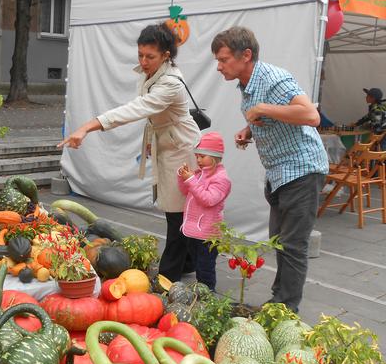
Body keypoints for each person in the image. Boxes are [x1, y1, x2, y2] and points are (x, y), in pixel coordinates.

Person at [59, 22, 201, 280]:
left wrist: (88, 126)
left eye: (150, 56)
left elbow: (136, 109)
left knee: (177, 212)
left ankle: (168, 274)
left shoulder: (171, 83)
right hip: (167, 142)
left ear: (166, 55)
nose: (144, 61)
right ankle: (187, 262)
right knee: (176, 209)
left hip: (181, 148)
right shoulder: (151, 73)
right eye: (140, 55)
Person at [211, 26, 328, 313]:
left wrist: (262, 108)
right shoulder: (246, 83)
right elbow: (271, 117)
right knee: (280, 243)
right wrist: (248, 130)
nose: (219, 66)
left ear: (246, 55)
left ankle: (286, 309)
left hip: (302, 169)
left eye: (224, 59)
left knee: (293, 246)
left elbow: (310, 115)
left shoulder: (273, 79)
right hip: (279, 175)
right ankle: (279, 301)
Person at [177, 132, 231, 291]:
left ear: (214, 157)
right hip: (193, 230)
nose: (198, 160)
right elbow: (185, 191)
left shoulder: (222, 179)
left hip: (208, 234)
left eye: (202, 156)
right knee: (197, 263)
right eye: (197, 156)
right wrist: (183, 178)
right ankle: (200, 291)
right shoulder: (199, 174)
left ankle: (207, 295)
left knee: (205, 267)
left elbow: (208, 200)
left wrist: (190, 179)